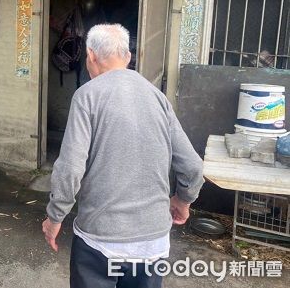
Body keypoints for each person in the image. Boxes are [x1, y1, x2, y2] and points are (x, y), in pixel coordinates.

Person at [42, 24, 204, 288]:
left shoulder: (86, 96)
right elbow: (193, 166)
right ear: (127, 57)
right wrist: (183, 200)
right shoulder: (158, 97)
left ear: (90, 56)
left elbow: (70, 168)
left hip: (99, 238)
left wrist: (54, 217)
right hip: (153, 241)